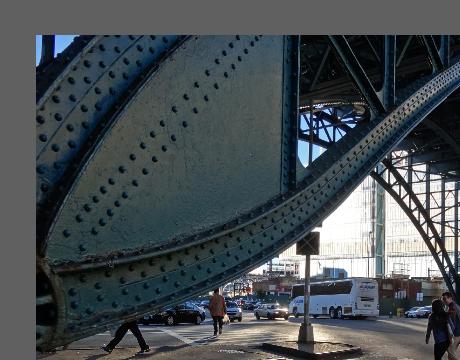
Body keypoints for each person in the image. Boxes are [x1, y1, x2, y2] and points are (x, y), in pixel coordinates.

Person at [442, 292, 460, 360]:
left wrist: (449, 336)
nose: (443, 300)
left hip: (457, 335)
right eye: (443, 299)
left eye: (444, 299)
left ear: (450, 298)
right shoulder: (455, 306)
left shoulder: (452, 308)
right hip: (457, 333)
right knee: (450, 355)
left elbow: (452, 324)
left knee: (450, 351)